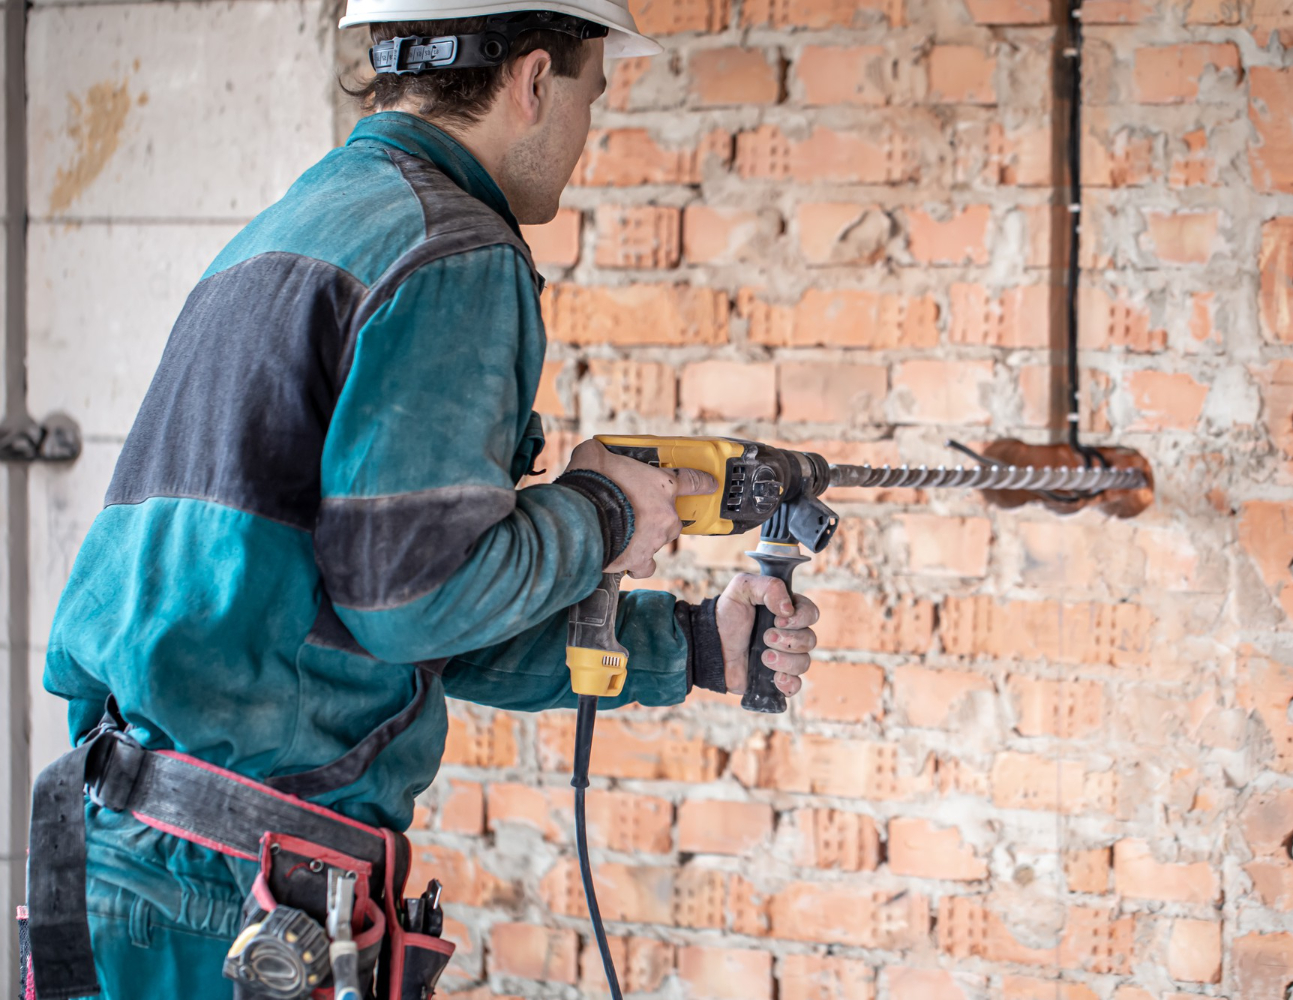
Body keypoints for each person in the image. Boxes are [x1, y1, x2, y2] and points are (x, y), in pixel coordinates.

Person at [26, 2, 820, 997]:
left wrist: (692, 645)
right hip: (237, 888)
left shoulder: (304, 220)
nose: (583, 136)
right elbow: (413, 598)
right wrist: (605, 513)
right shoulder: (456, 251)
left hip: (128, 849)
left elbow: (378, 616)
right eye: (590, 96)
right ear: (534, 81)